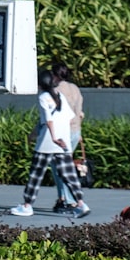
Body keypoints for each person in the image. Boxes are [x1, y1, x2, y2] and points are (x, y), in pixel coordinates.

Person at [10, 69, 91, 218]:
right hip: (64, 141)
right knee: (69, 175)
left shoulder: (43, 97)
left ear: (40, 84)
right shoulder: (59, 96)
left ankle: (27, 206)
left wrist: (54, 138)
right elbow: (69, 117)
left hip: (47, 142)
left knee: (36, 174)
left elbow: (48, 120)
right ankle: (81, 204)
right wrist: (63, 138)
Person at [50, 61, 84, 213]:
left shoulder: (54, 90)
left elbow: (50, 116)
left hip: (61, 133)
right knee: (60, 166)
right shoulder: (74, 88)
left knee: (61, 168)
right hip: (75, 132)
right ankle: (62, 198)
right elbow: (80, 113)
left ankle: (69, 201)